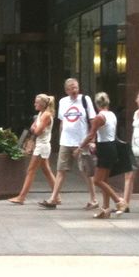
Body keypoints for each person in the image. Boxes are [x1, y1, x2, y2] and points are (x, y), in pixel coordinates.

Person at [39, 78, 98, 210]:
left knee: (86, 171)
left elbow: (93, 120)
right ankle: (53, 198)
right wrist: (60, 139)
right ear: (66, 90)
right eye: (71, 88)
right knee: (61, 170)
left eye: (76, 87)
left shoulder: (85, 99)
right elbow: (62, 121)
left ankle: (94, 199)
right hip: (66, 141)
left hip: (81, 141)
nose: (74, 90)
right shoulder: (63, 102)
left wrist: (92, 140)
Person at [80, 92, 126, 218]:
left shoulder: (99, 117)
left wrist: (80, 147)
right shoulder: (112, 115)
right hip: (111, 147)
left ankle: (118, 201)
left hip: (105, 148)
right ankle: (105, 209)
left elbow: (91, 135)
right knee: (104, 180)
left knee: (97, 180)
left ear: (96, 104)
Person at [8, 93, 57, 204]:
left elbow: (36, 131)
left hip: (42, 146)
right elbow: (33, 128)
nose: (35, 104)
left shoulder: (46, 115)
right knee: (47, 171)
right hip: (41, 145)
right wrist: (35, 128)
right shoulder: (41, 113)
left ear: (43, 104)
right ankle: (57, 196)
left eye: (37, 102)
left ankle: (21, 197)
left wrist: (35, 128)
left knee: (31, 171)